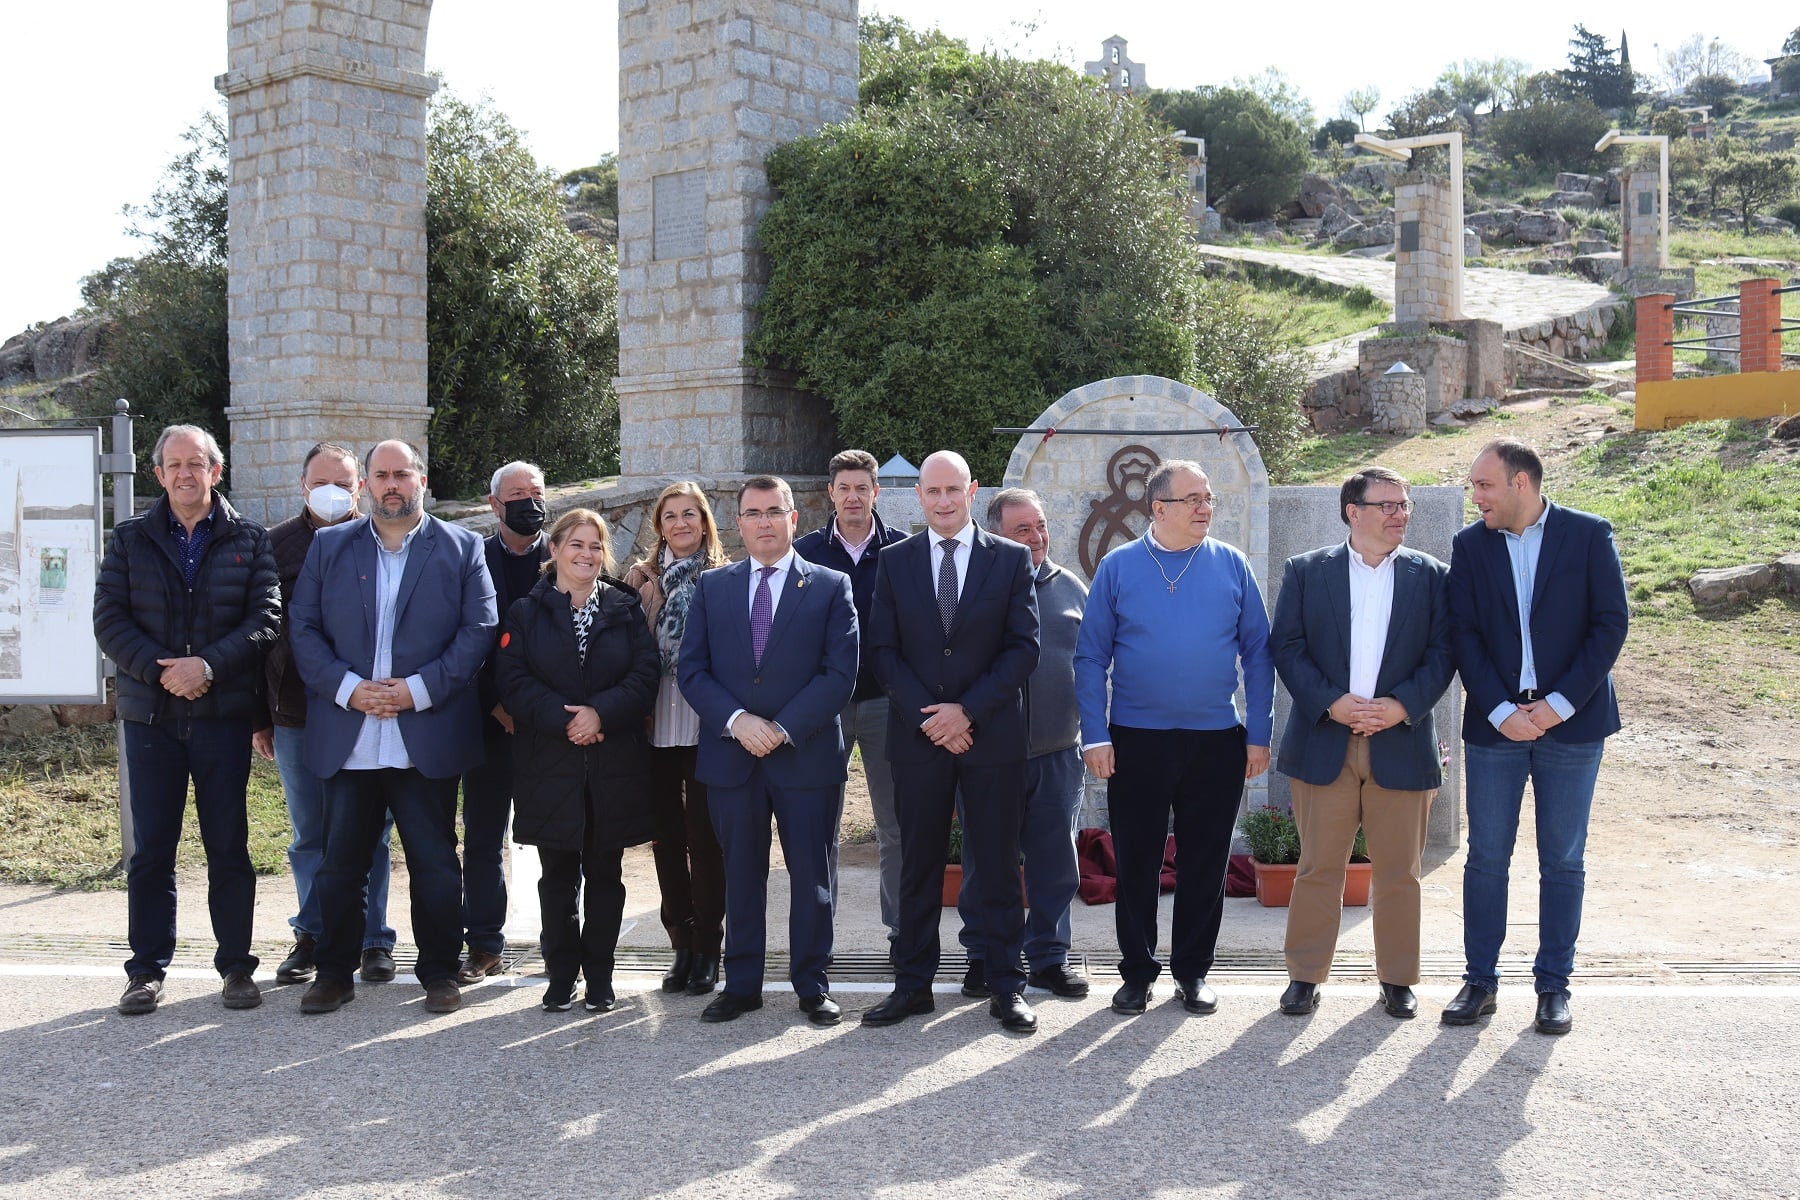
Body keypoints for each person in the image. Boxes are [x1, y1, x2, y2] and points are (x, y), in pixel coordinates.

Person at [288, 439, 498, 1016]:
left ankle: (437, 973)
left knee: (434, 864)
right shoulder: (330, 548)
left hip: (423, 731)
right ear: (365, 486)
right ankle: (333, 973)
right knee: (339, 866)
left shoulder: (461, 548)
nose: (390, 485)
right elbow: (302, 629)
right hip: (350, 729)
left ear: (420, 481)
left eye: (401, 475)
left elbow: (479, 629)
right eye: (380, 475)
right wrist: (350, 689)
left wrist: (416, 690)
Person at [1075, 458, 1274, 1018]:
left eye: (1208, 498)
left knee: (1206, 864)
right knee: (1135, 861)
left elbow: (1259, 653)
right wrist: (1094, 735)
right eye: (1191, 499)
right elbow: (1090, 656)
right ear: (1158, 509)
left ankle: (1192, 972)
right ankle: (1136, 972)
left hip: (1216, 740)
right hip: (1136, 738)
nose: (1204, 508)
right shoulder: (1118, 568)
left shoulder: (1232, 565)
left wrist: (1258, 733)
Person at [93, 424, 280, 1015]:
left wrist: (208, 666)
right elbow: (109, 621)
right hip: (151, 717)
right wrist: (162, 670)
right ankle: (146, 970)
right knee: (151, 851)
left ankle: (236, 968)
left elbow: (266, 617)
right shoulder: (128, 540)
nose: (184, 474)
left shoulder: (249, 539)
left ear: (215, 471)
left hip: (221, 716)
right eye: (173, 465)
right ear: (159, 475)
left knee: (229, 846)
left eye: (195, 463)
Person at [1444, 439, 1628, 1035]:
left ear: (1522, 483)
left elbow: (1610, 625)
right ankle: (1480, 982)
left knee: (1563, 860)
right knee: (1487, 857)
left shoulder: (1588, 534)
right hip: (1496, 726)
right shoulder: (1470, 546)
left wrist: (1555, 707)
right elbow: (1463, 634)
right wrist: (1501, 709)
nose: (1477, 498)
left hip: (1572, 726)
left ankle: (1553, 986)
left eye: (1485, 486)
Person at [865, 450, 1041, 1034]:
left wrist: (967, 712)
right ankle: (911, 986)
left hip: (990, 738)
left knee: (993, 864)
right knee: (917, 866)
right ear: (918, 495)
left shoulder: (1012, 559)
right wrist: (932, 718)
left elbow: (1023, 649)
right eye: (932, 490)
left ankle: (1004, 985)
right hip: (918, 741)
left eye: (953, 490)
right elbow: (884, 652)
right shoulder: (895, 562)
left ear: (972, 491)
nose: (942, 501)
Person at [1268, 467, 1453, 1020]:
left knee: (1400, 871)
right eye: (1388, 505)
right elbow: (1288, 647)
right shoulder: (1306, 571)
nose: (1401, 514)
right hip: (1326, 738)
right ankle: (1305, 977)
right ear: (1354, 510)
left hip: (1401, 739)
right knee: (1319, 867)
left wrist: (1400, 707)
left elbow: (1444, 653)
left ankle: (1398, 979)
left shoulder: (1433, 576)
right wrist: (1331, 702)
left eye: (1405, 505)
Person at [676, 476, 858, 1025]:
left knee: (811, 875)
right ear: (739, 523)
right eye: (753, 513)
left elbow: (839, 675)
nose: (763, 523)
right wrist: (738, 721)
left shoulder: (830, 586)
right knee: (741, 872)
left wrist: (778, 728)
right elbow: (692, 670)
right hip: (733, 757)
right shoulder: (713, 588)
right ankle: (743, 984)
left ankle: (812, 985)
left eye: (774, 512)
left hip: (805, 754)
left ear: (794, 518)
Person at [496, 509, 658, 1013]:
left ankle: (601, 978)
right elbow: (512, 680)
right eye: (576, 545)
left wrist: (600, 714)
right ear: (555, 550)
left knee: (606, 878)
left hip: (612, 765)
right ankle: (561, 975)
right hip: (550, 764)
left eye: (595, 546)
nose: (586, 554)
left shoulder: (624, 607)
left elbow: (645, 673)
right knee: (556, 880)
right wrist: (563, 719)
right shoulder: (527, 611)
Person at [257, 442, 398, 987]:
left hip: (368, 710)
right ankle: (312, 936)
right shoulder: (273, 547)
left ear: (360, 486)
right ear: (303, 486)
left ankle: (373, 939)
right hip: (296, 714)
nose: (332, 491)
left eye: (343, 481)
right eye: (321, 482)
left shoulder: (382, 541)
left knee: (373, 832)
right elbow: (261, 636)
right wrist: (258, 716)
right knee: (309, 834)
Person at [954, 488, 1090, 1001]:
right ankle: (984, 955)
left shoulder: (1072, 589)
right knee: (984, 861)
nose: (1037, 538)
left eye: (1040, 526)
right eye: (1022, 530)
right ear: (995, 536)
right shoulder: (974, 588)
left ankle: (1050, 956)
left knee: (1056, 861)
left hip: (1057, 754)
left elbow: (1094, 669)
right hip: (988, 754)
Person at [793, 449, 909, 953]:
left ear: (876, 492)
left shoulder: (905, 551)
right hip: (824, 707)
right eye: (845, 487)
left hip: (887, 703)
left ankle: (903, 935)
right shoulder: (805, 553)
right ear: (831, 494)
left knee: (895, 825)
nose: (854, 496)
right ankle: (819, 938)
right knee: (820, 825)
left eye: (863, 487)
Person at [623, 482, 731, 996]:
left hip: (706, 720)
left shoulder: (726, 578)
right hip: (654, 722)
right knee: (666, 840)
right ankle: (681, 945)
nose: (682, 523)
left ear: (705, 522)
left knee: (706, 841)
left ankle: (710, 946)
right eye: (671, 516)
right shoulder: (640, 579)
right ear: (659, 525)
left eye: (691, 514)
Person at [456, 461, 551, 986]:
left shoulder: (561, 557)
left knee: (562, 838)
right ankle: (484, 944)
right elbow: (466, 637)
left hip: (548, 723)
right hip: (489, 721)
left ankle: (564, 944)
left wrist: (537, 707)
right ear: (494, 505)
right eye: (516, 495)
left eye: (535, 493)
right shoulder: (471, 559)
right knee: (485, 836)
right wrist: (496, 704)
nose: (528, 503)